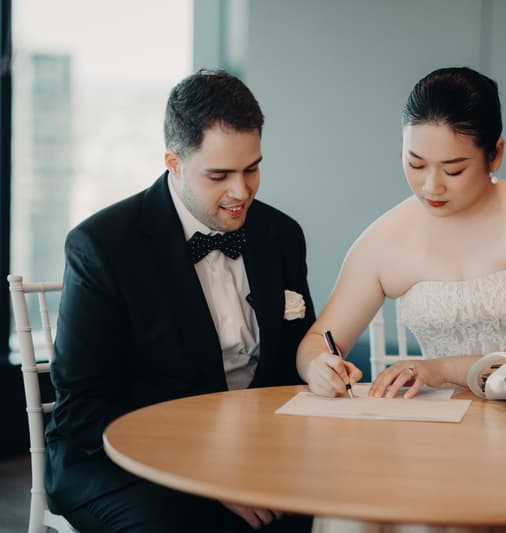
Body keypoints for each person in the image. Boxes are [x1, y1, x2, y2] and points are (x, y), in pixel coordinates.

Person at [297, 67, 506, 533]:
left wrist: (439, 369)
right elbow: (319, 338)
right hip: (433, 433)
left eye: (453, 169)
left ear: (495, 154)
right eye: (414, 164)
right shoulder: (385, 237)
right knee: (344, 512)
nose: (431, 187)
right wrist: (319, 366)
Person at [45, 69, 316, 532]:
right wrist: (209, 477)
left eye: (252, 168)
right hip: (124, 462)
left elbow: (292, 362)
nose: (242, 191)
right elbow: (84, 408)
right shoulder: (102, 246)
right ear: (173, 161)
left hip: (254, 453)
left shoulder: (281, 234)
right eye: (219, 175)